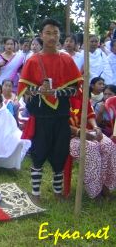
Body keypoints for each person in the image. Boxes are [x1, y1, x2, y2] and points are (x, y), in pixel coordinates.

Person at [17, 18, 82, 202]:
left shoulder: (67, 60)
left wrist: (54, 91)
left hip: (61, 115)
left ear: (59, 35)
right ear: (41, 35)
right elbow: (24, 90)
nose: (52, 37)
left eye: (55, 33)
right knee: (38, 153)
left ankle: (57, 191)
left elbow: (75, 89)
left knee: (60, 153)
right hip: (41, 116)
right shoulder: (32, 61)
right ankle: (36, 193)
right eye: (48, 33)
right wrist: (38, 90)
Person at [69, 90, 116, 199]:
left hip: (90, 131)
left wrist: (96, 128)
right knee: (91, 148)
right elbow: (60, 124)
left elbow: (90, 115)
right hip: (70, 136)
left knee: (109, 145)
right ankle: (95, 192)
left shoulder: (81, 94)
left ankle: (106, 187)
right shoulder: (58, 97)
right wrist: (80, 132)